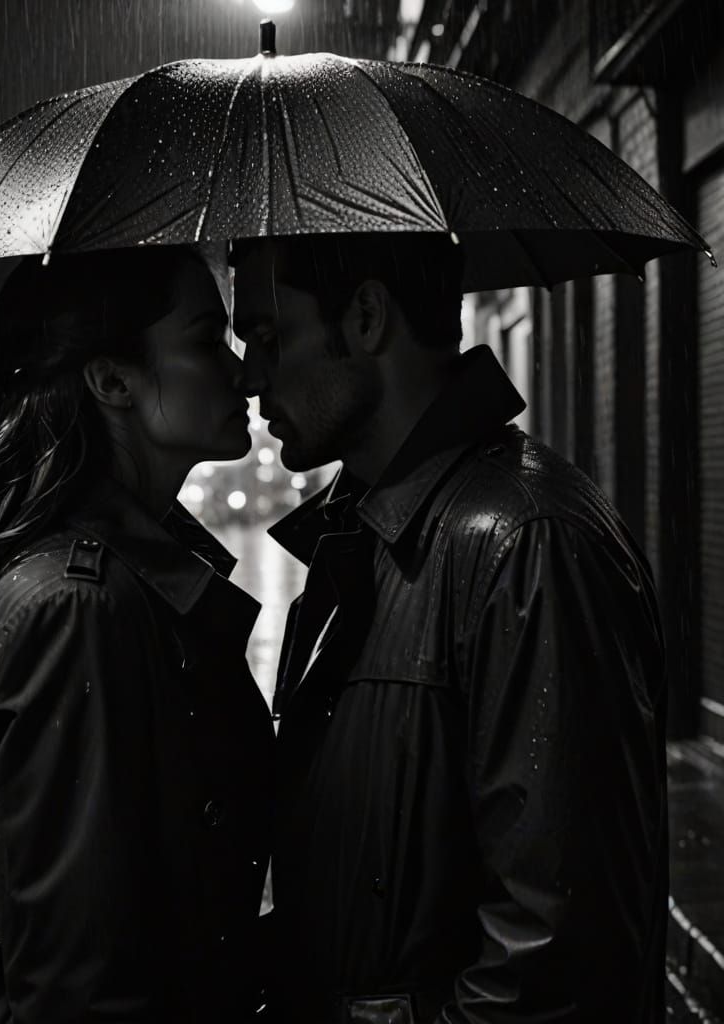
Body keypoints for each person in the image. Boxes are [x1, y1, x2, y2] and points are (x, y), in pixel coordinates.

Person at [231, 233, 667, 1023]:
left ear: (367, 317)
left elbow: (556, 960)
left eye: (267, 335)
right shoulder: (358, 534)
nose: (250, 376)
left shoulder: (527, 545)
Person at [0, 246, 274, 1023]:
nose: (242, 373)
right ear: (112, 381)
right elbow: (79, 985)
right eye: (208, 340)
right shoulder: (77, 609)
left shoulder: (120, 582)